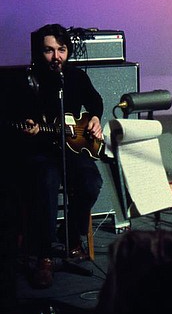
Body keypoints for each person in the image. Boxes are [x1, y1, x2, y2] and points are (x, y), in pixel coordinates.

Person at [18, 24, 104, 289]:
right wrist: (29, 125)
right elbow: (19, 114)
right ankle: (43, 255)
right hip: (43, 150)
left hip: (74, 148)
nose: (56, 57)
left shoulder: (76, 76)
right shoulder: (28, 81)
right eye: (49, 51)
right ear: (38, 52)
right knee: (45, 184)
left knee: (92, 183)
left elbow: (95, 102)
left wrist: (96, 120)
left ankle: (69, 235)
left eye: (61, 50)